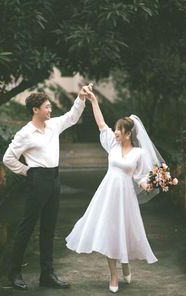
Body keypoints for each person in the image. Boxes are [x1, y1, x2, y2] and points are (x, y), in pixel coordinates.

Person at [66, 90, 163, 293]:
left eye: (119, 130)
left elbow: (141, 177)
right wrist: (93, 101)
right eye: (115, 129)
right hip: (107, 194)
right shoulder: (112, 145)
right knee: (110, 231)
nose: (115, 132)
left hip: (126, 197)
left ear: (129, 133)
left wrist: (151, 183)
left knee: (124, 231)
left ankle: (126, 263)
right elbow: (101, 124)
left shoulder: (139, 153)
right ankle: (113, 275)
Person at [3, 84, 92, 290]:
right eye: (47, 107)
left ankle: (47, 274)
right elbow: (8, 158)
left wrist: (81, 98)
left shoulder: (53, 125)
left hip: (54, 179)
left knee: (48, 228)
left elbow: (72, 117)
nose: (50, 110)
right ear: (35, 110)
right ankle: (14, 272)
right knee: (27, 226)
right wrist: (28, 171)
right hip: (37, 180)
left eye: (50, 107)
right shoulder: (25, 133)